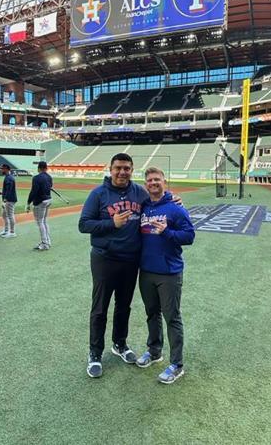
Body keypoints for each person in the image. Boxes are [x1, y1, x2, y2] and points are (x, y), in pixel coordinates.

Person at [79, 153, 150, 378]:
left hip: (130, 259)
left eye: (127, 168)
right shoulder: (98, 194)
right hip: (104, 259)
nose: (122, 172)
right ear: (110, 169)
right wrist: (112, 223)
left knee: (124, 306)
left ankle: (119, 344)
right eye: (118, 168)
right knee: (100, 308)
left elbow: (157, 203)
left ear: (132, 170)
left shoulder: (139, 192)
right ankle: (95, 352)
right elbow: (84, 224)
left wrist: (173, 200)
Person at [136, 167, 195, 384]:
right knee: (152, 314)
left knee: (172, 317)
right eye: (149, 180)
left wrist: (167, 232)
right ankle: (154, 351)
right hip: (146, 271)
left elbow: (189, 236)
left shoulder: (175, 208)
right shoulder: (143, 207)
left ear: (164, 182)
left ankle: (177, 364)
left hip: (169, 272)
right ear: (145, 184)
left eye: (157, 180)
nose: (153, 183)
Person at [26, 161, 53, 251]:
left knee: (40, 222)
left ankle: (45, 243)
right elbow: (50, 187)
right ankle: (47, 241)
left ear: (39, 168)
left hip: (40, 202)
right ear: (46, 168)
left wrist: (28, 203)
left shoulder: (36, 178)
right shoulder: (49, 177)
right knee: (44, 221)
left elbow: (34, 191)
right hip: (48, 200)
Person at [0, 163, 17, 238]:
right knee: (4, 215)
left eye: (2, 169)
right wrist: (0, 192)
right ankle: (6, 231)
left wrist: (4, 200)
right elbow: (7, 190)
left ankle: (12, 232)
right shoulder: (7, 177)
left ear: (6, 169)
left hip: (10, 200)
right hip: (8, 199)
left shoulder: (9, 178)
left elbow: (9, 190)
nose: (1, 170)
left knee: (10, 216)